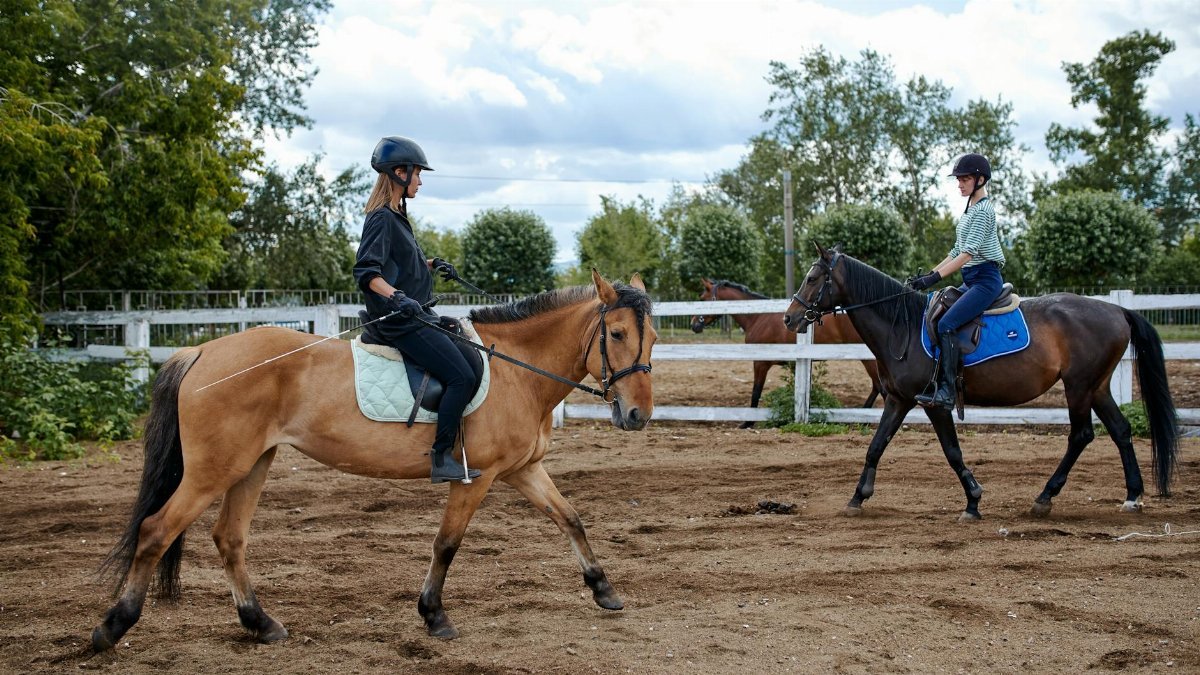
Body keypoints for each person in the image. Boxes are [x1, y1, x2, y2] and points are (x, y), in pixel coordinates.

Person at [353, 135, 480, 483]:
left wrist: (431, 264)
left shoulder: (397, 217)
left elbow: (401, 265)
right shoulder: (380, 218)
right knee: (461, 376)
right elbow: (367, 273)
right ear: (399, 173)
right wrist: (395, 297)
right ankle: (441, 457)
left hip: (416, 313)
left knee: (471, 360)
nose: (420, 181)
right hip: (399, 321)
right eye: (417, 174)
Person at [907, 153, 1006, 410]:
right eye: (959, 180)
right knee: (937, 314)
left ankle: (948, 392)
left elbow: (967, 254)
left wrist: (935, 278)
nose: (959, 184)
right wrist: (928, 275)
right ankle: (937, 381)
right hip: (971, 280)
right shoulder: (969, 210)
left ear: (980, 180)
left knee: (947, 324)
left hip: (985, 281)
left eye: (965, 179)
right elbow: (954, 251)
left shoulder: (983, 211)